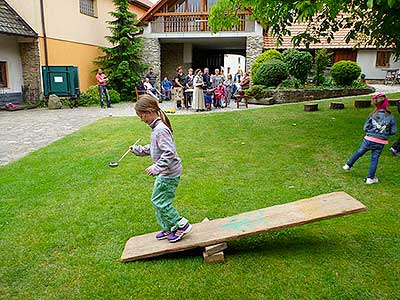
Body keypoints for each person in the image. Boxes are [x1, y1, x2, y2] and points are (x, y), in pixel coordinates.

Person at [131, 95, 192, 243]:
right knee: (157, 200)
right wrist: (138, 150)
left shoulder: (161, 130)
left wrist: (157, 167)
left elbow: (169, 152)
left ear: (150, 111)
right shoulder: (156, 129)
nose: (141, 120)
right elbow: (155, 148)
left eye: (142, 116)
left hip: (169, 173)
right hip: (165, 172)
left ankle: (181, 224)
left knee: (160, 201)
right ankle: (169, 227)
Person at [343, 93, 397, 184]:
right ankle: (370, 179)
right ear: (386, 104)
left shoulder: (372, 115)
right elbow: (393, 131)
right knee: (374, 159)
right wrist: (385, 133)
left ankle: (348, 165)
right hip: (380, 142)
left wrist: (371, 132)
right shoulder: (391, 117)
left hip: (368, 139)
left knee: (359, 152)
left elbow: (365, 128)